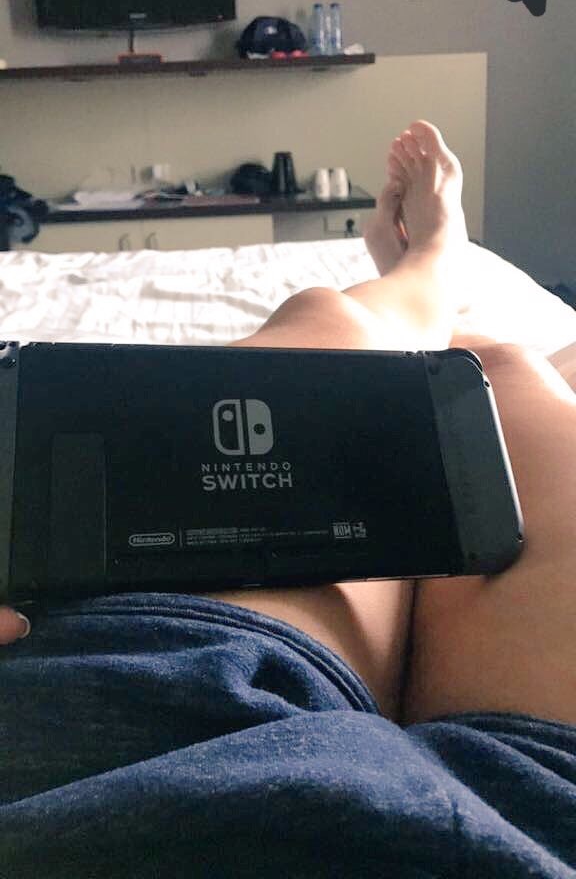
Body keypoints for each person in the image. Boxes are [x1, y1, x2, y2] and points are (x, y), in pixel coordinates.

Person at [1, 121, 575, 877]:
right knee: (495, 368)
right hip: (535, 830)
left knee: (369, 338)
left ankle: (430, 281)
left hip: (115, 729)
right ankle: (436, 273)